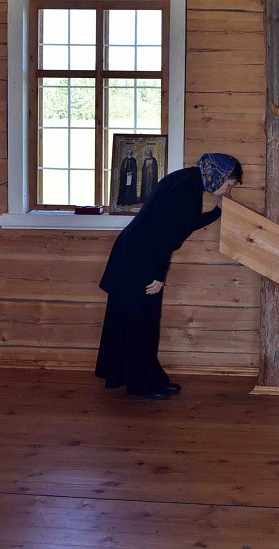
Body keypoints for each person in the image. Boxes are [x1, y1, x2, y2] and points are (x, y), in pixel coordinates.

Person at [96, 152, 242, 399]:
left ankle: (149, 380)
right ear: (219, 175)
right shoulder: (185, 187)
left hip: (138, 255)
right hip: (138, 259)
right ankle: (141, 385)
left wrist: (216, 212)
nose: (228, 191)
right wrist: (158, 273)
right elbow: (165, 233)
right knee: (140, 322)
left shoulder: (188, 181)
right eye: (229, 185)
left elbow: (184, 224)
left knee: (141, 323)